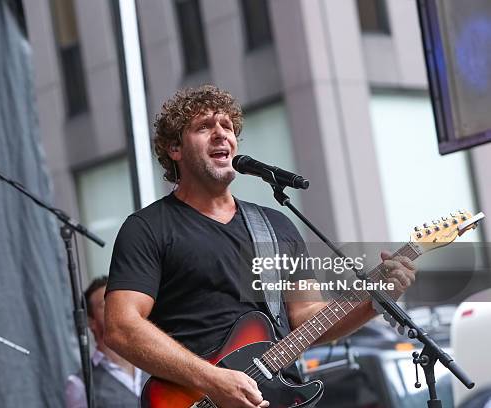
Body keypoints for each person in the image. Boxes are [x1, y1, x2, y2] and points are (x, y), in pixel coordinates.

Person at [104, 85, 416, 408]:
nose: (220, 134)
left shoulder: (277, 226)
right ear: (174, 149)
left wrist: (374, 300)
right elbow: (121, 326)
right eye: (203, 127)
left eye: (227, 126)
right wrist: (214, 380)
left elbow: (306, 317)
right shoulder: (147, 229)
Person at [65, 276, 149, 408]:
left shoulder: (153, 365)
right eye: (105, 304)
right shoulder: (80, 385)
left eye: (120, 302)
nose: (117, 308)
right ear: (90, 321)